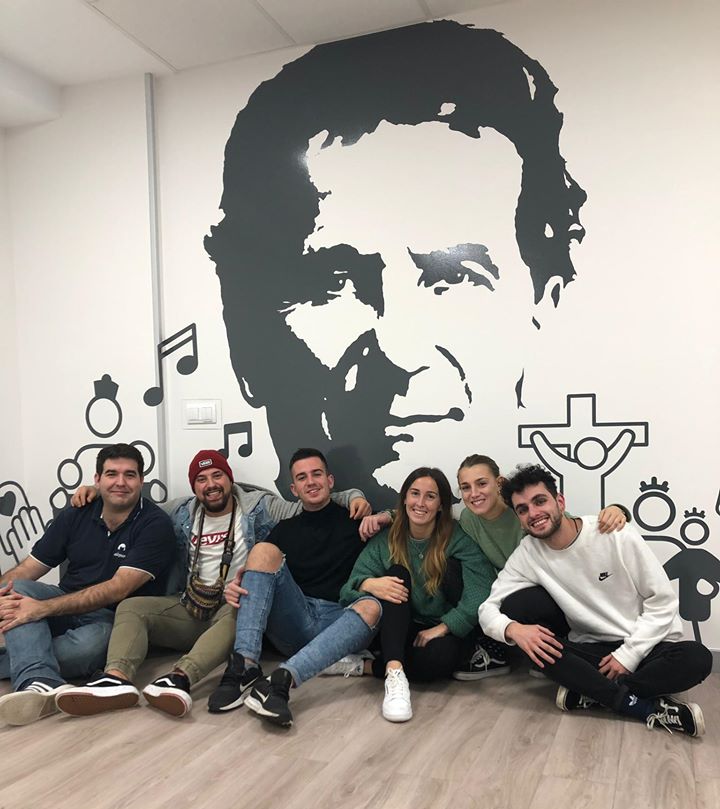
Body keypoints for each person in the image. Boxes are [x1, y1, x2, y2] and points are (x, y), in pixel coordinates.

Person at [205, 19, 586, 507]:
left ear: (545, 301)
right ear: (242, 338)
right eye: (335, 283)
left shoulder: (532, 536)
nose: (401, 354)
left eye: (453, 278)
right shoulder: (265, 529)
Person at [55, 450, 368, 719]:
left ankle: (180, 678)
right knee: (131, 607)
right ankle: (115, 679)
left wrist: (353, 495)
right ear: (194, 487)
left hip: (236, 604)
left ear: (229, 479)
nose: (211, 485)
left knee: (242, 607)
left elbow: (310, 500)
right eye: (201, 479)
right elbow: (133, 505)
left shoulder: (259, 506)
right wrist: (98, 492)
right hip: (190, 602)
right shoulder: (180, 512)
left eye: (217, 476)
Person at [478, 464, 713, 736]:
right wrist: (513, 630)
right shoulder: (528, 553)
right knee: (533, 638)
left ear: (560, 501)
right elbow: (488, 608)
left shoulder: (613, 533)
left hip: (646, 645)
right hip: (594, 651)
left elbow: (662, 602)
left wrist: (629, 655)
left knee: (697, 658)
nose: (533, 513)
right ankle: (639, 706)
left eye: (540, 501)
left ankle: (589, 692)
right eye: (523, 509)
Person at [0, 444, 175, 726]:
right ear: (97, 479)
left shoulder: (155, 525)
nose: (120, 482)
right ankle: (41, 680)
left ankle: (30, 665)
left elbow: (118, 589)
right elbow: (29, 568)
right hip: (64, 601)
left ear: (142, 481)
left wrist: (41, 609)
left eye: (130, 475)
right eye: (111, 474)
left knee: (89, 648)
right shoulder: (77, 512)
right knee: (18, 589)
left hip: (112, 618)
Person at [214, 448, 381, 728]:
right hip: (296, 620)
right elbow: (261, 576)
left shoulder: (358, 520)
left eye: (317, 474)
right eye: (302, 478)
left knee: (373, 605)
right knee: (263, 550)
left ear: (330, 480)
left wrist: (381, 514)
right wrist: (237, 586)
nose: (311, 482)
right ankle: (245, 665)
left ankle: (284, 678)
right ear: (294, 489)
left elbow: (402, 523)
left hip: (340, 621)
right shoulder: (284, 529)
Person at [337, 467, 494, 722]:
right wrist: (369, 584)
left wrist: (444, 627)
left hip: (443, 630)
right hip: (399, 626)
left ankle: (368, 666)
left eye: (430, 496)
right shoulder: (387, 539)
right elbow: (347, 591)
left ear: (441, 505)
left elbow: (481, 591)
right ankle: (395, 673)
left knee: (441, 659)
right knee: (397, 573)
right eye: (414, 494)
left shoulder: (457, 537)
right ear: (404, 499)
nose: (420, 503)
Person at [453, 454, 628, 679]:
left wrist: (618, 509)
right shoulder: (468, 519)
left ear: (499, 483)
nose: (474, 493)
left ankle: (558, 649)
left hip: (552, 591)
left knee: (521, 600)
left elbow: (568, 529)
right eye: (465, 487)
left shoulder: (523, 509)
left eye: (481, 483)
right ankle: (506, 652)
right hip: (510, 584)